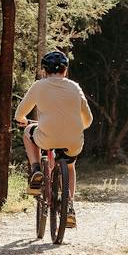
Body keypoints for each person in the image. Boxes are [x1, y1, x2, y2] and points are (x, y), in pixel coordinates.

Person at [15, 49, 92, 228]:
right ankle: (69, 206)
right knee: (70, 167)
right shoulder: (75, 87)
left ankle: (36, 170)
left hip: (46, 138)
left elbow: (20, 114)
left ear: (44, 71)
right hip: (73, 141)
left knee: (28, 132)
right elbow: (88, 120)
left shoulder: (39, 85)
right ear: (65, 70)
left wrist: (22, 120)